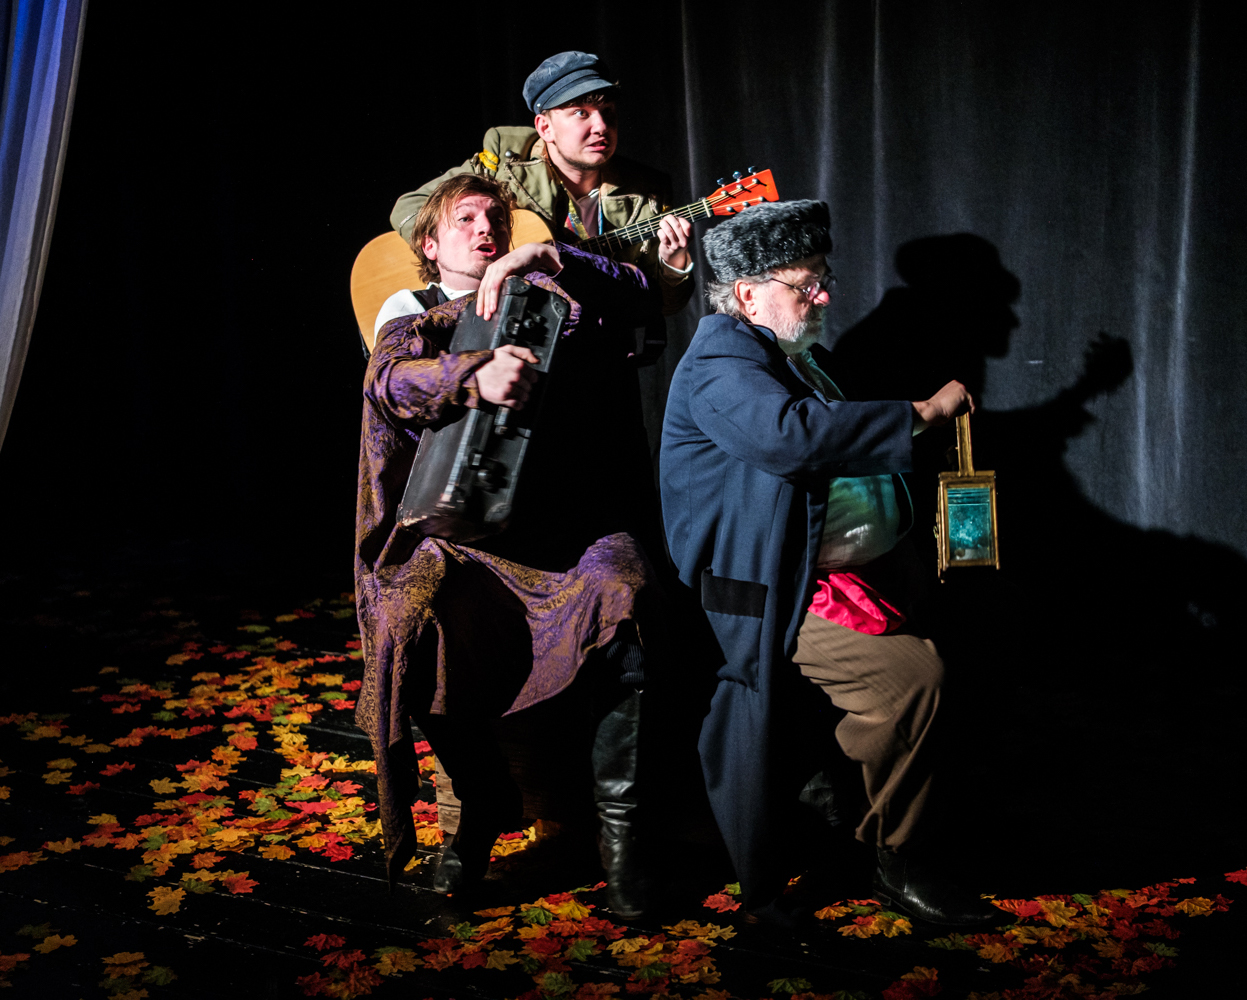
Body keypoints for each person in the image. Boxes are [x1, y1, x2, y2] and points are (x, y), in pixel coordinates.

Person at [658, 200, 1000, 927]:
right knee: (913, 682)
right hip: (777, 586)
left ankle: (857, 812)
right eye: (805, 283)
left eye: (824, 279)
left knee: (955, 664)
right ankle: (897, 857)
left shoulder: (796, 356)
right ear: (748, 293)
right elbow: (791, 437)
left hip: (853, 573)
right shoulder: (720, 362)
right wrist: (922, 413)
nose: (823, 296)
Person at [356, 171, 666, 919]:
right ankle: (482, 799)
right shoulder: (414, 314)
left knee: (622, 590)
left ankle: (620, 838)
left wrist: (554, 257)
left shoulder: (554, 296)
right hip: (463, 536)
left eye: (495, 217)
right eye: (465, 219)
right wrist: (472, 373)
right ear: (431, 244)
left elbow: (639, 296)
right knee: (404, 617)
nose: (485, 228)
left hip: (566, 528)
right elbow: (389, 382)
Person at [389, 50, 695, 324]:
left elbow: (663, 306)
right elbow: (409, 209)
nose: (601, 126)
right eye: (581, 113)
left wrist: (673, 262)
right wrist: (483, 266)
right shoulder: (507, 158)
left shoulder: (648, 190)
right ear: (544, 127)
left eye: (608, 112)